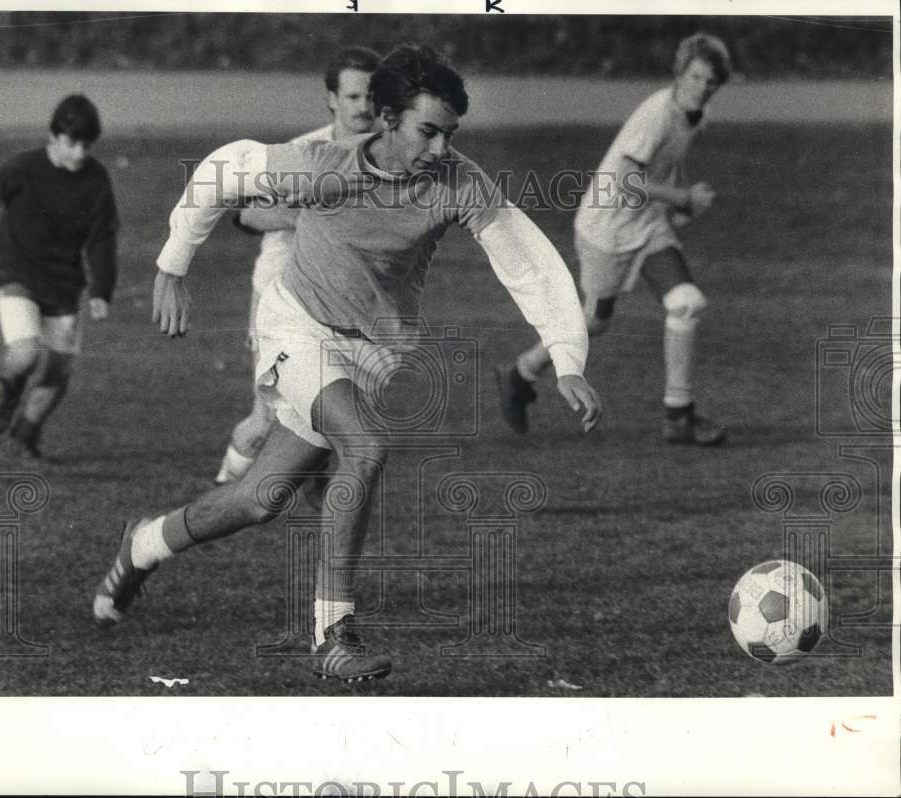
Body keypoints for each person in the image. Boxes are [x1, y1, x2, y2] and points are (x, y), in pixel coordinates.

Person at [93, 45, 602, 683]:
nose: (441, 148)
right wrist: (172, 264)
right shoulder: (322, 167)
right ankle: (333, 633)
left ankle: (142, 544)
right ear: (386, 119)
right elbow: (225, 169)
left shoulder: (458, 181)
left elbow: (526, 261)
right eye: (428, 131)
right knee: (365, 447)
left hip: (370, 354)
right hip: (295, 327)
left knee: (260, 499)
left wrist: (567, 357)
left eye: (450, 133)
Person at [496, 33, 731, 445]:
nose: (702, 88)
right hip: (606, 228)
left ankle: (678, 415)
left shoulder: (698, 116)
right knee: (593, 323)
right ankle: (520, 374)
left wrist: (677, 206)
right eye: (695, 78)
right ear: (679, 74)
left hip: (648, 225)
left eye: (710, 82)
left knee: (686, 303)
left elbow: (665, 164)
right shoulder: (657, 113)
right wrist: (681, 197)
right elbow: (625, 179)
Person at [215, 45, 382, 486]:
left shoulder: (387, 158)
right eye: (353, 97)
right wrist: (311, 215)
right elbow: (245, 212)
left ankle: (314, 518)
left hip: (345, 307)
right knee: (265, 421)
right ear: (331, 99)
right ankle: (221, 495)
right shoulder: (302, 152)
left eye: (371, 96)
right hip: (282, 300)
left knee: (330, 434)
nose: (364, 106)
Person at [0, 93, 119, 458]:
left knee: (58, 372)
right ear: (54, 136)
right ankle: (9, 392)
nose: (80, 152)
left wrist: (101, 290)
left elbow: (102, 237)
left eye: (87, 144)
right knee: (25, 352)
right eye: (72, 142)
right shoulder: (22, 170)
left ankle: (25, 434)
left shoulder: (96, 181)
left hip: (64, 286)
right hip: (17, 274)